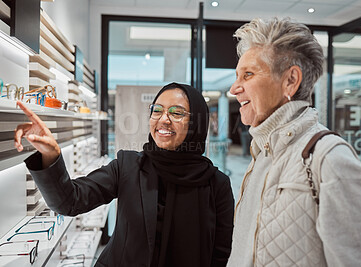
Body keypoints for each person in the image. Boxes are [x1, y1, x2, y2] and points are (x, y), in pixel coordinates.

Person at [14, 82, 234, 267]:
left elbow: (219, 255)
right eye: (157, 110)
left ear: (197, 123)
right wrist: (51, 156)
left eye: (177, 113)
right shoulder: (129, 166)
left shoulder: (217, 185)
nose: (164, 119)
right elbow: (69, 201)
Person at [227, 17, 361, 266]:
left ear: (291, 80)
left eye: (248, 74)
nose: (234, 88)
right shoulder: (262, 154)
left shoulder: (331, 160)